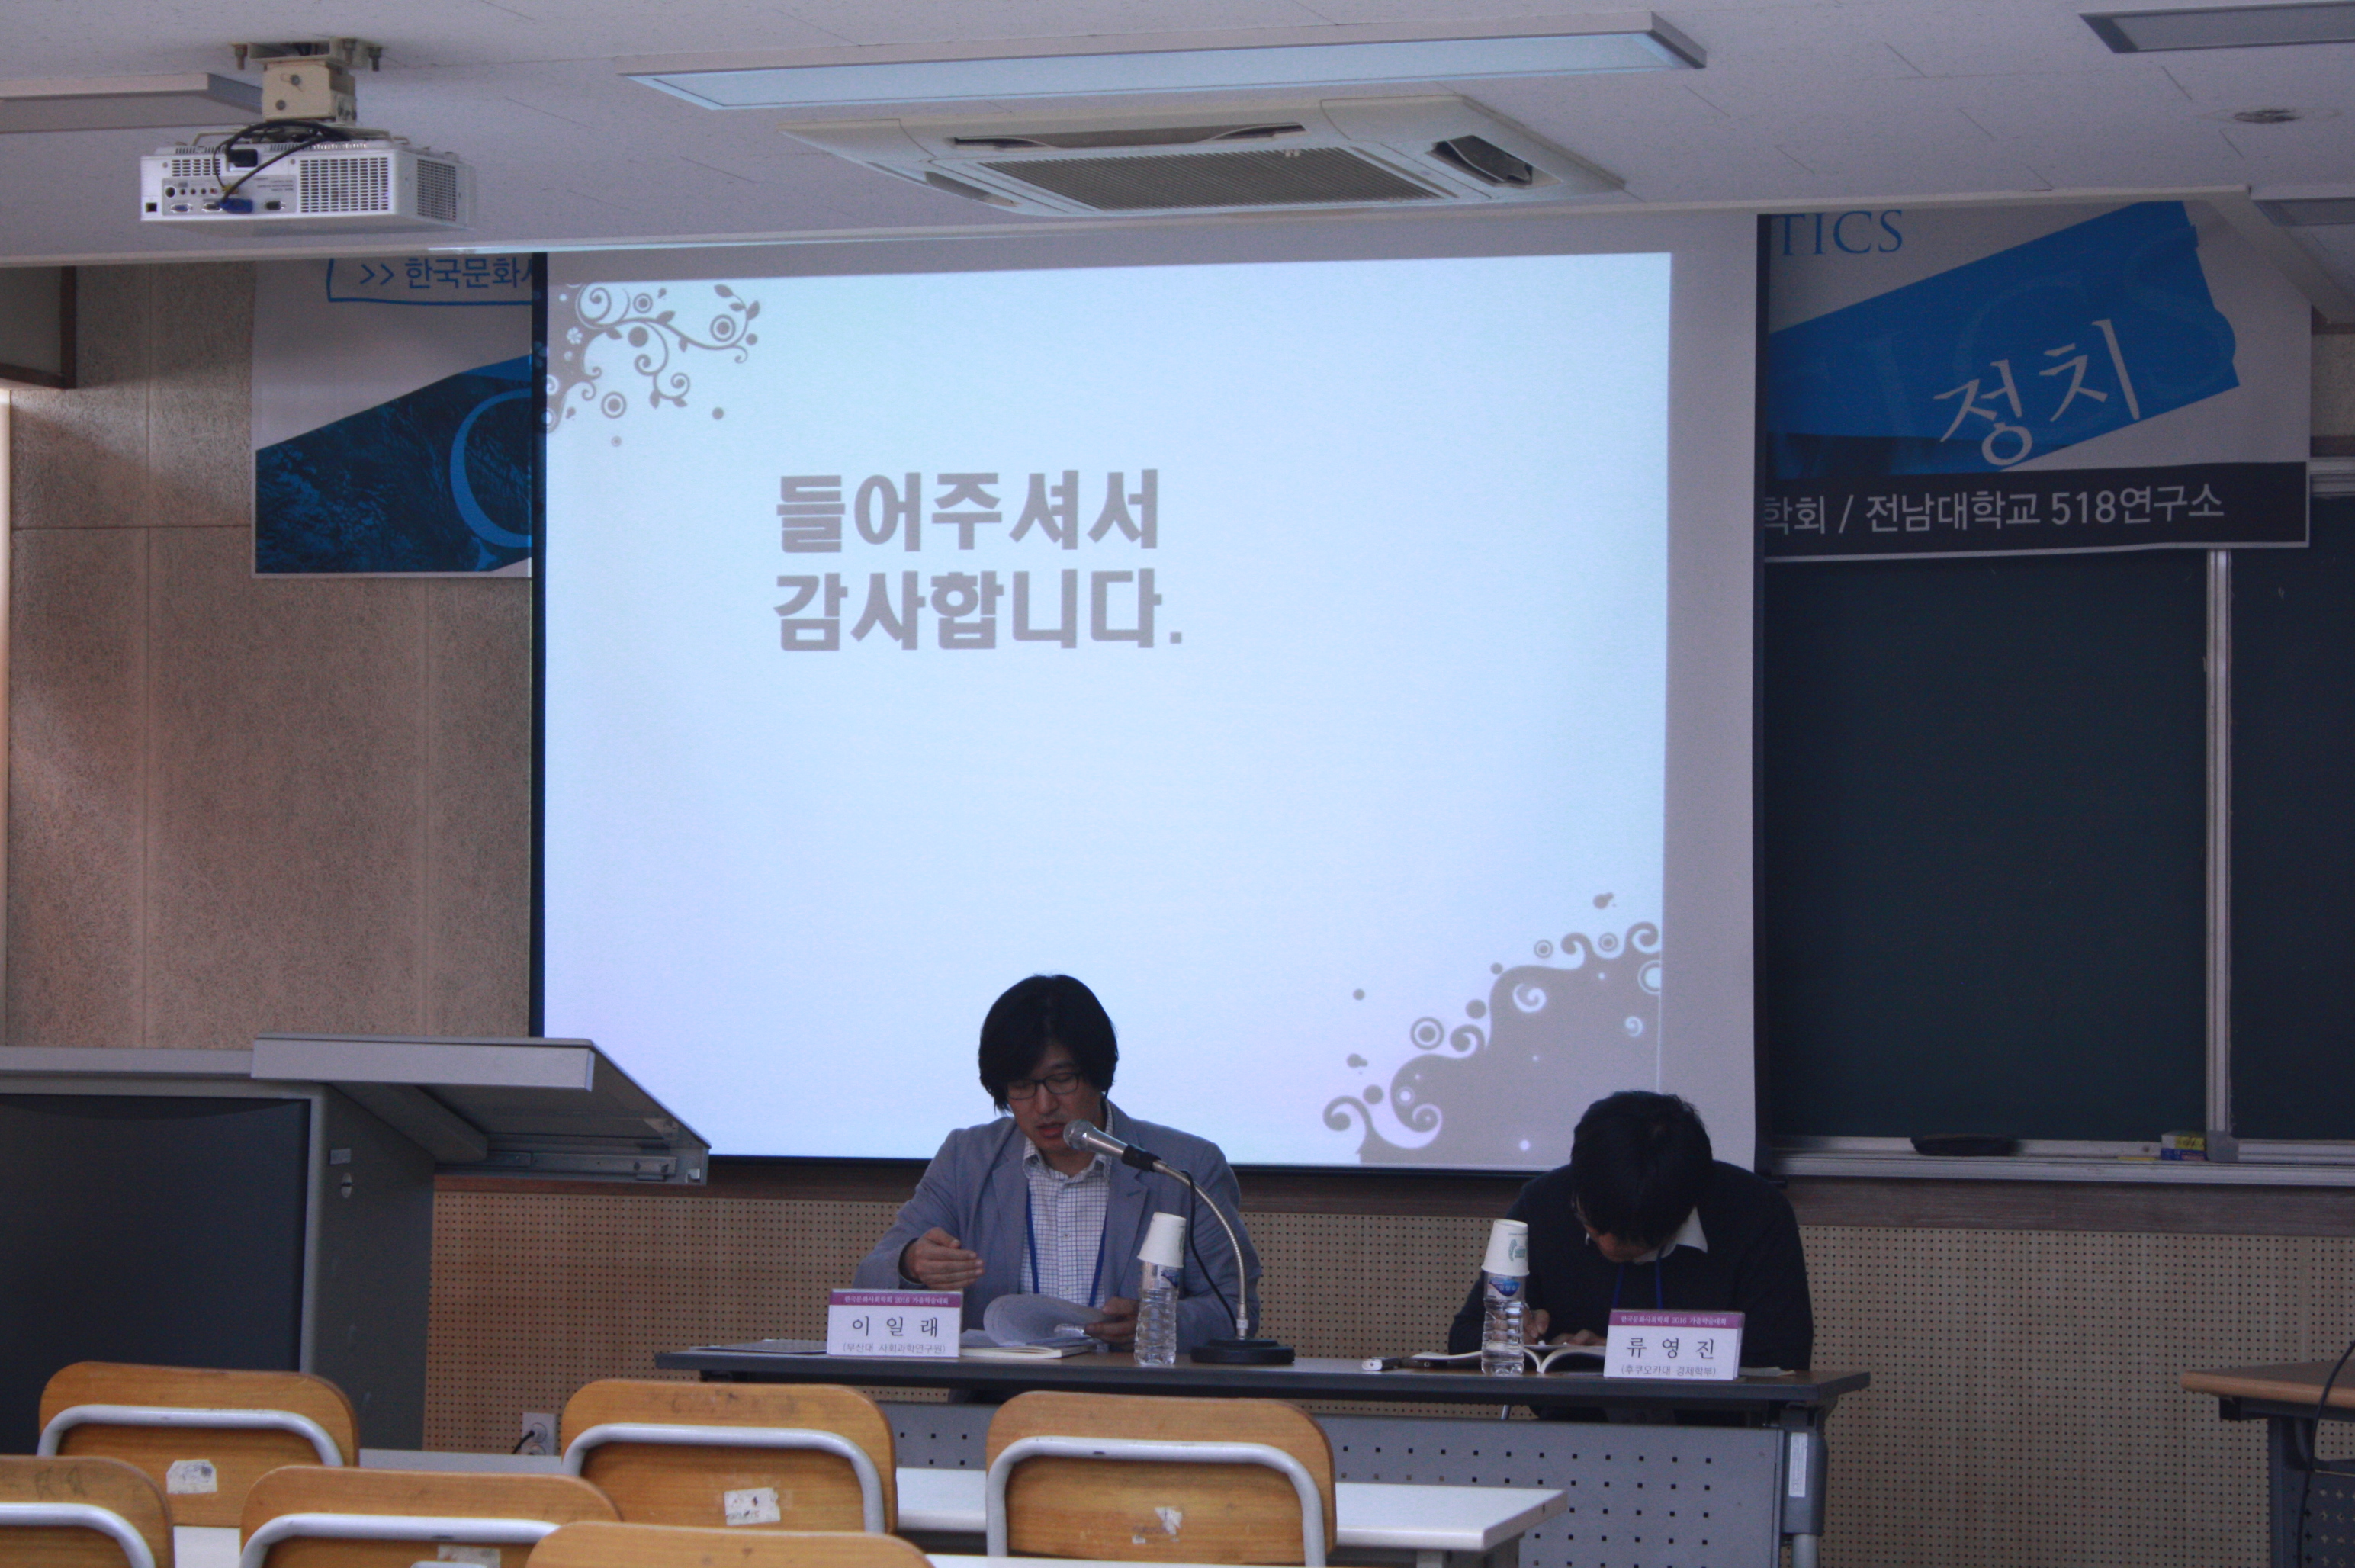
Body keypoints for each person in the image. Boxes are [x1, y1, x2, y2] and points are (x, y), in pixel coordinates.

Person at [854, 974, 1260, 1352]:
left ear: (1099, 1073)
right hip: (1002, 1395)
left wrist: (1158, 1322)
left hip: (1131, 1393)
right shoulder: (967, 1160)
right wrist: (912, 1263)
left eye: (1062, 1079)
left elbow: (1234, 1311)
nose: (1044, 1105)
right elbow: (867, 1285)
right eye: (1022, 1085)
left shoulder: (1181, 1168)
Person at [1447, 1090, 1814, 1370]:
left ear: (1684, 1211)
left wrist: (1625, 1354)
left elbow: (1783, 1361)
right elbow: (1463, 1337)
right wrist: (1518, 1338)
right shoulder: (1543, 1204)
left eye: (1635, 1238)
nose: (1608, 1245)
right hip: (1570, 1431)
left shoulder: (1756, 1213)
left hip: (1721, 1435)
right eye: (1593, 1223)